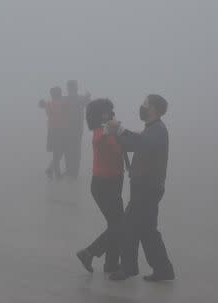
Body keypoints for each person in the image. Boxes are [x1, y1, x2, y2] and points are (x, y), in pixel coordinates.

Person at [106, 94, 175, 282]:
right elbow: (132, 144)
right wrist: (117, 133)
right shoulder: (152, 129)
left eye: (145, 104)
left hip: (147, 188)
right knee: (147, 230)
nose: (142, 107)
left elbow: (141, 144)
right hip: (147, 187)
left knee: (128, 226)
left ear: (153, 108)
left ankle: (128, 268)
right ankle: (163, 269)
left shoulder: (158, 130)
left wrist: (120, 130)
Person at [76, 99, 125, 273]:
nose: (111, 113)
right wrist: (112, 129)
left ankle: (111, 264)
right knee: (120, 225)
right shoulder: (100, 133)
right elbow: (101, 139)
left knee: (115, 225)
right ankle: (89, 253)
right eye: (107, 111)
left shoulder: (109, 131)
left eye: (111, 110)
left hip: (114, 182)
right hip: (104, 186)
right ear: (100, 115)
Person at [63, 80, 91, 178]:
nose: (70, 89)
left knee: (70, 150)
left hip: (71, 129)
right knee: (73, 150)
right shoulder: (79, 99)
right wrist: (87, 97)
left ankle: (72, 171)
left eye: (71, 87)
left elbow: (89, 104)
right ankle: (73, 171)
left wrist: (87, 98)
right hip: (74, 129)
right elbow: (89, 104)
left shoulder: (65, 99)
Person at [38, 86, 67, 180]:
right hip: (60, 130)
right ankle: (57, 174)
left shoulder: (49, 103)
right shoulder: (62, 103)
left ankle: (51, 169)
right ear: (59, 94)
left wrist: (42, 103)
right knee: (59, 152)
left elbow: (41, 104)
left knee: (56, 152)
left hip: (51, 130)